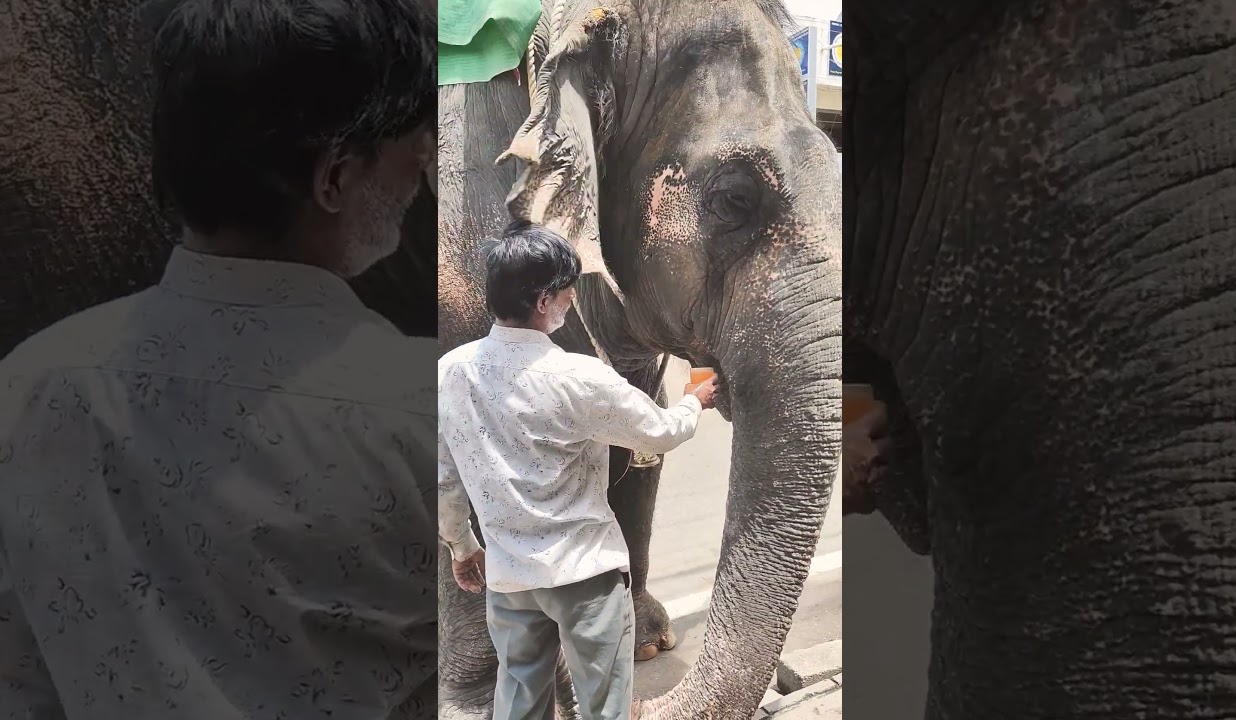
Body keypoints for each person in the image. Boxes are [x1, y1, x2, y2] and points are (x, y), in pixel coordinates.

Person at [0, 1, 437, 717]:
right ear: (334, 178)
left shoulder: (28, 386)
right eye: (415, 144)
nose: (422, 164)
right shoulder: (425, 415)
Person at [437, 220, 719, 720]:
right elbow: (659, 433)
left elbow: (445, 474)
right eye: (568, 293)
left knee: (519, 703)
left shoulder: (451, 370)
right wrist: (693, 403)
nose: (572, 302)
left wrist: (462, 545)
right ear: (544, 300)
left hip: (510, 577)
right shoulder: (577, 376)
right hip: (584, 576)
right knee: (605, 708)